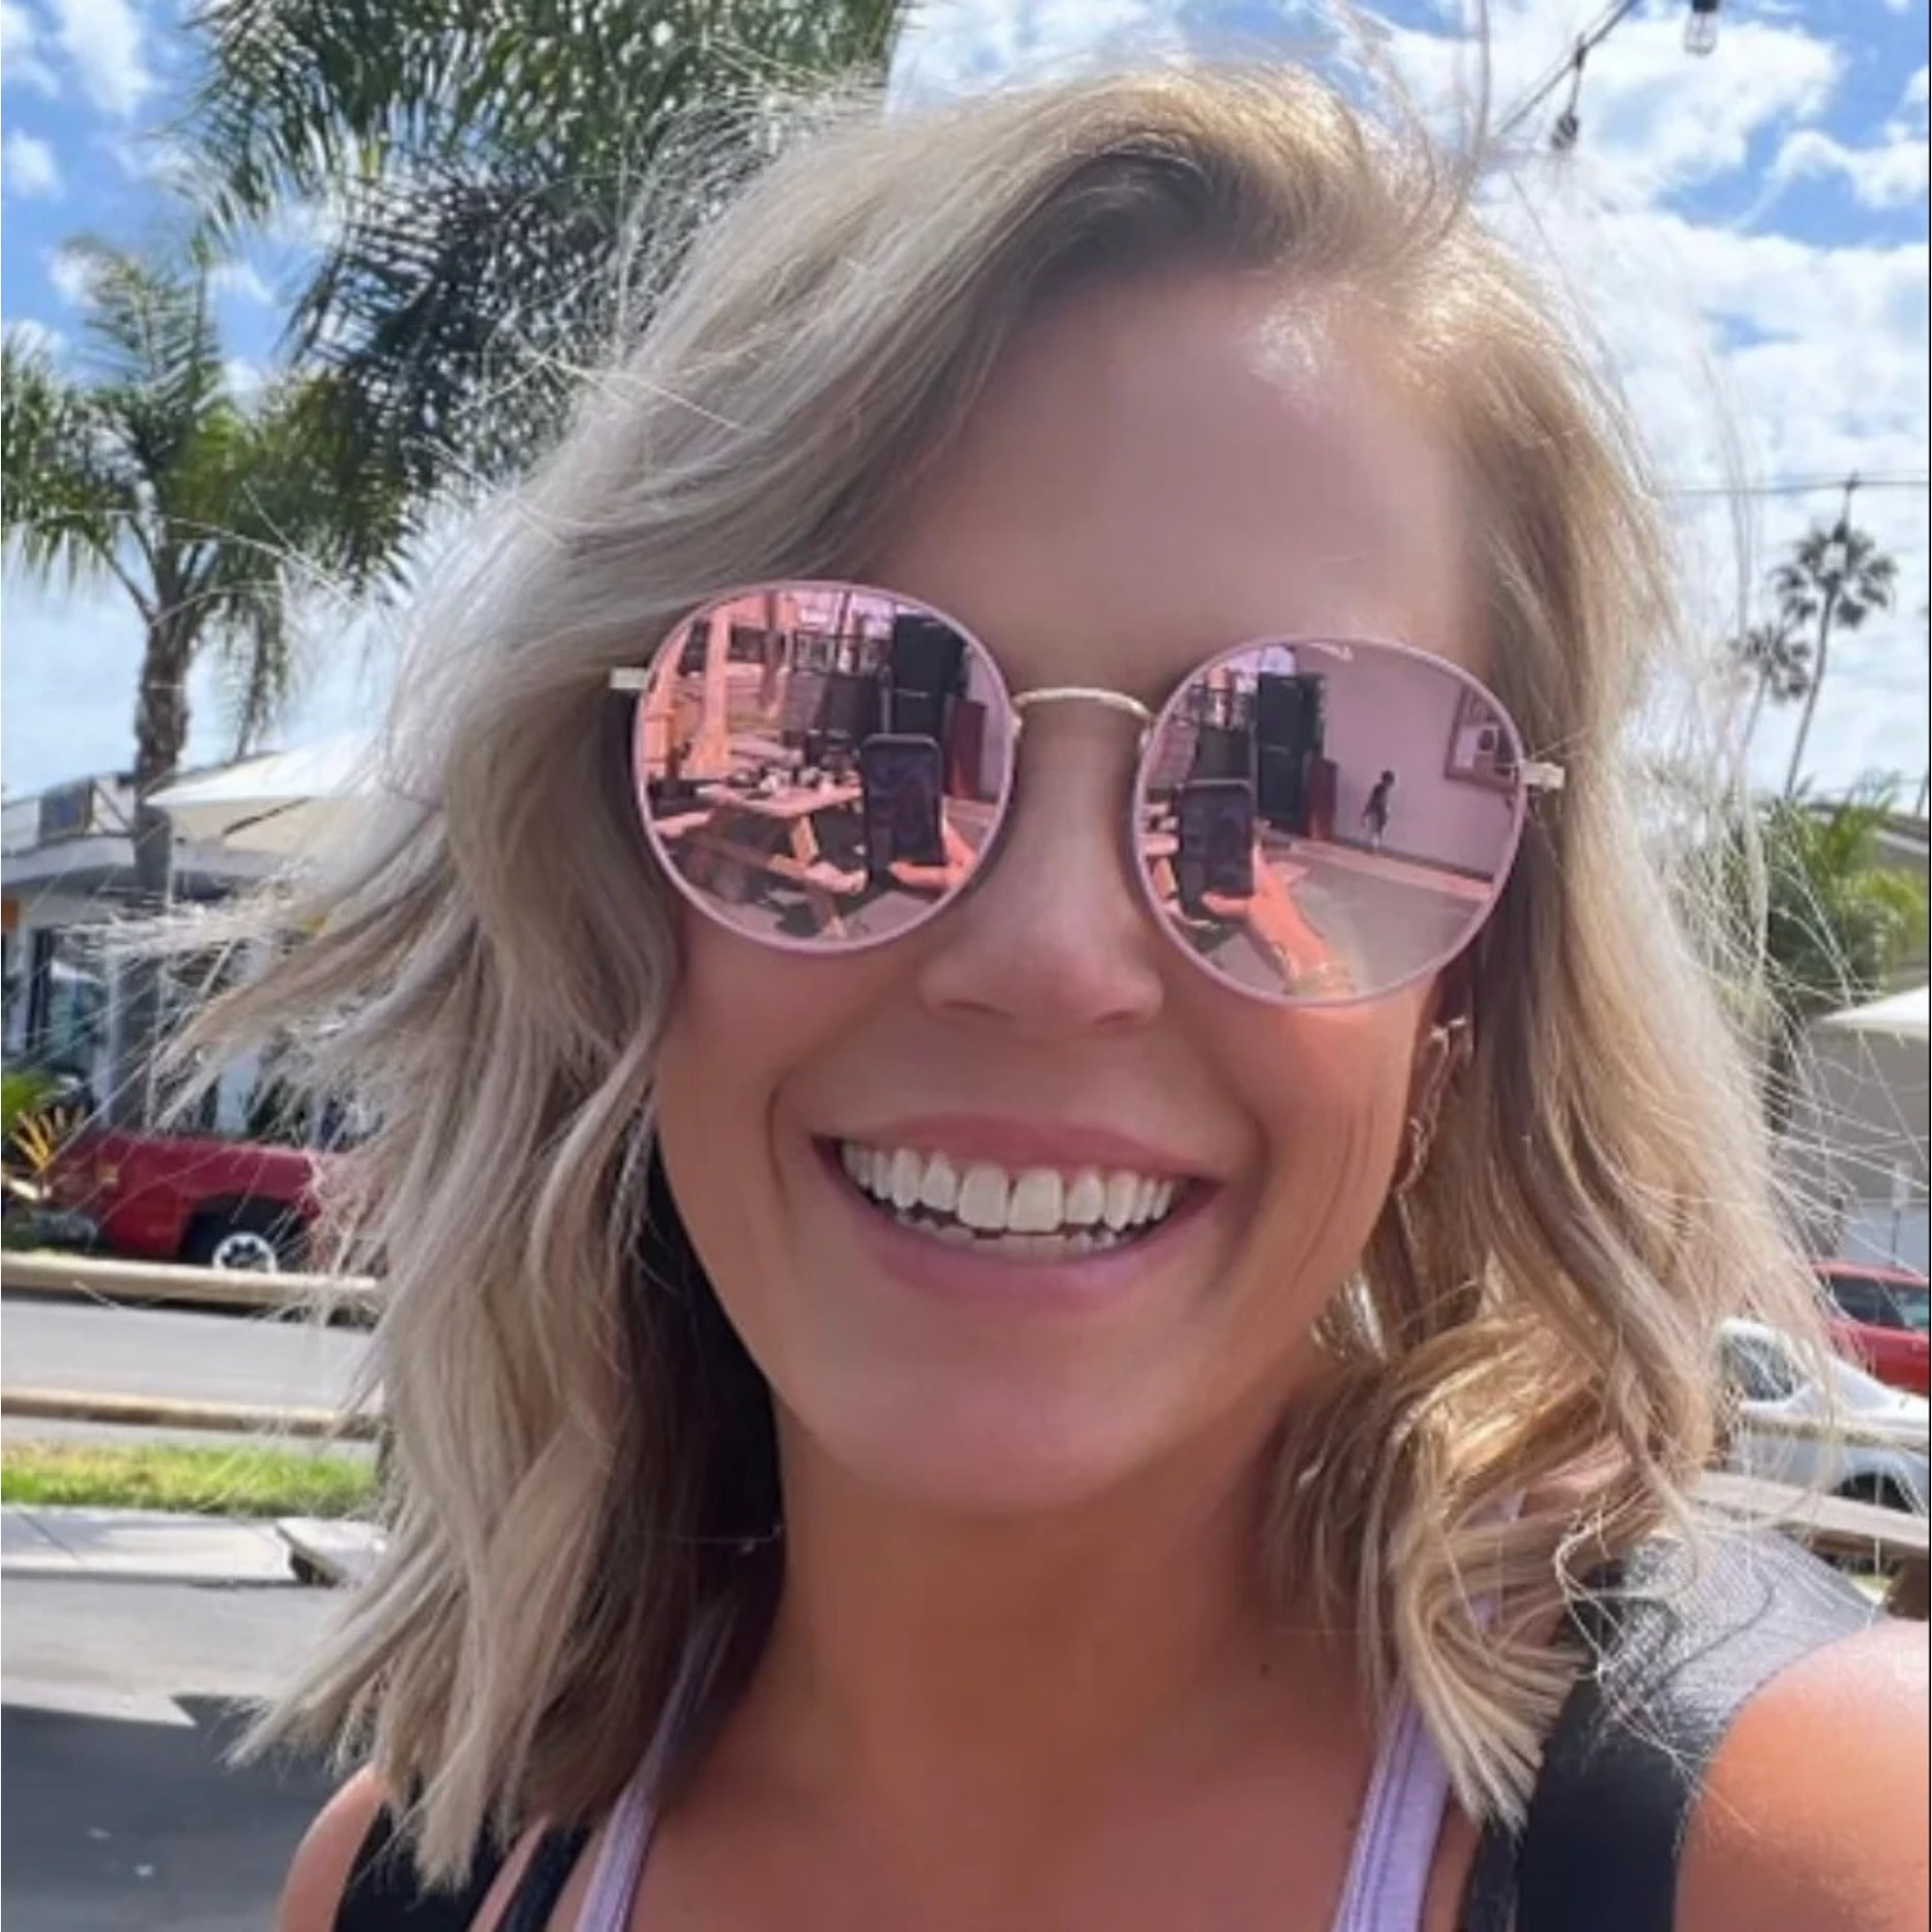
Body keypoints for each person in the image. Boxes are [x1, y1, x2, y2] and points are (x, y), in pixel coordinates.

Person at [232, 65, 1925, 1932]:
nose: (1050, 951)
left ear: (1464, 1002)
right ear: (610, 887)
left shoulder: (1799, 1854)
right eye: (834, 732)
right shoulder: (406, 1886)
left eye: (1299, 781)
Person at [1362, 769, 1396, 852]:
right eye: (1389, 781)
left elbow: (1383, 801)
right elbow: (1374, 800)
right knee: (1375, 830)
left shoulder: (1387, 790)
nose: (1390, 784)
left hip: (1383, 812)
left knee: (1379, 830)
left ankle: (1374, 847)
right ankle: (1373, 847)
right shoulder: (1379, 789)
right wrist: (1366, 812)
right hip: (1378, 811)